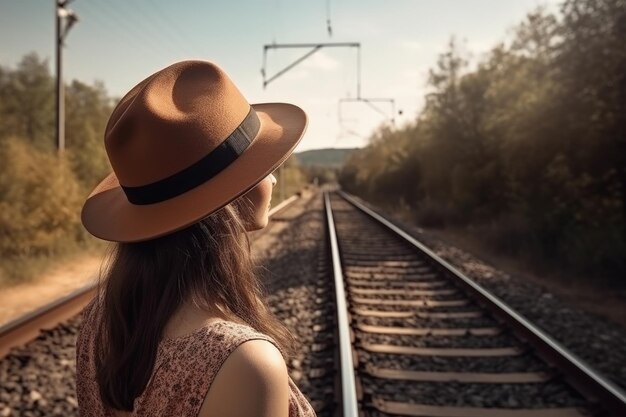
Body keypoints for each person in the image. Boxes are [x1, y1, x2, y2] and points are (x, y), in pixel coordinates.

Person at [75, 60, 316, 417]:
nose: (274, 179)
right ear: (233, 193)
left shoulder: (101, 319)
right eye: (262, 165)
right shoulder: (244, 362)